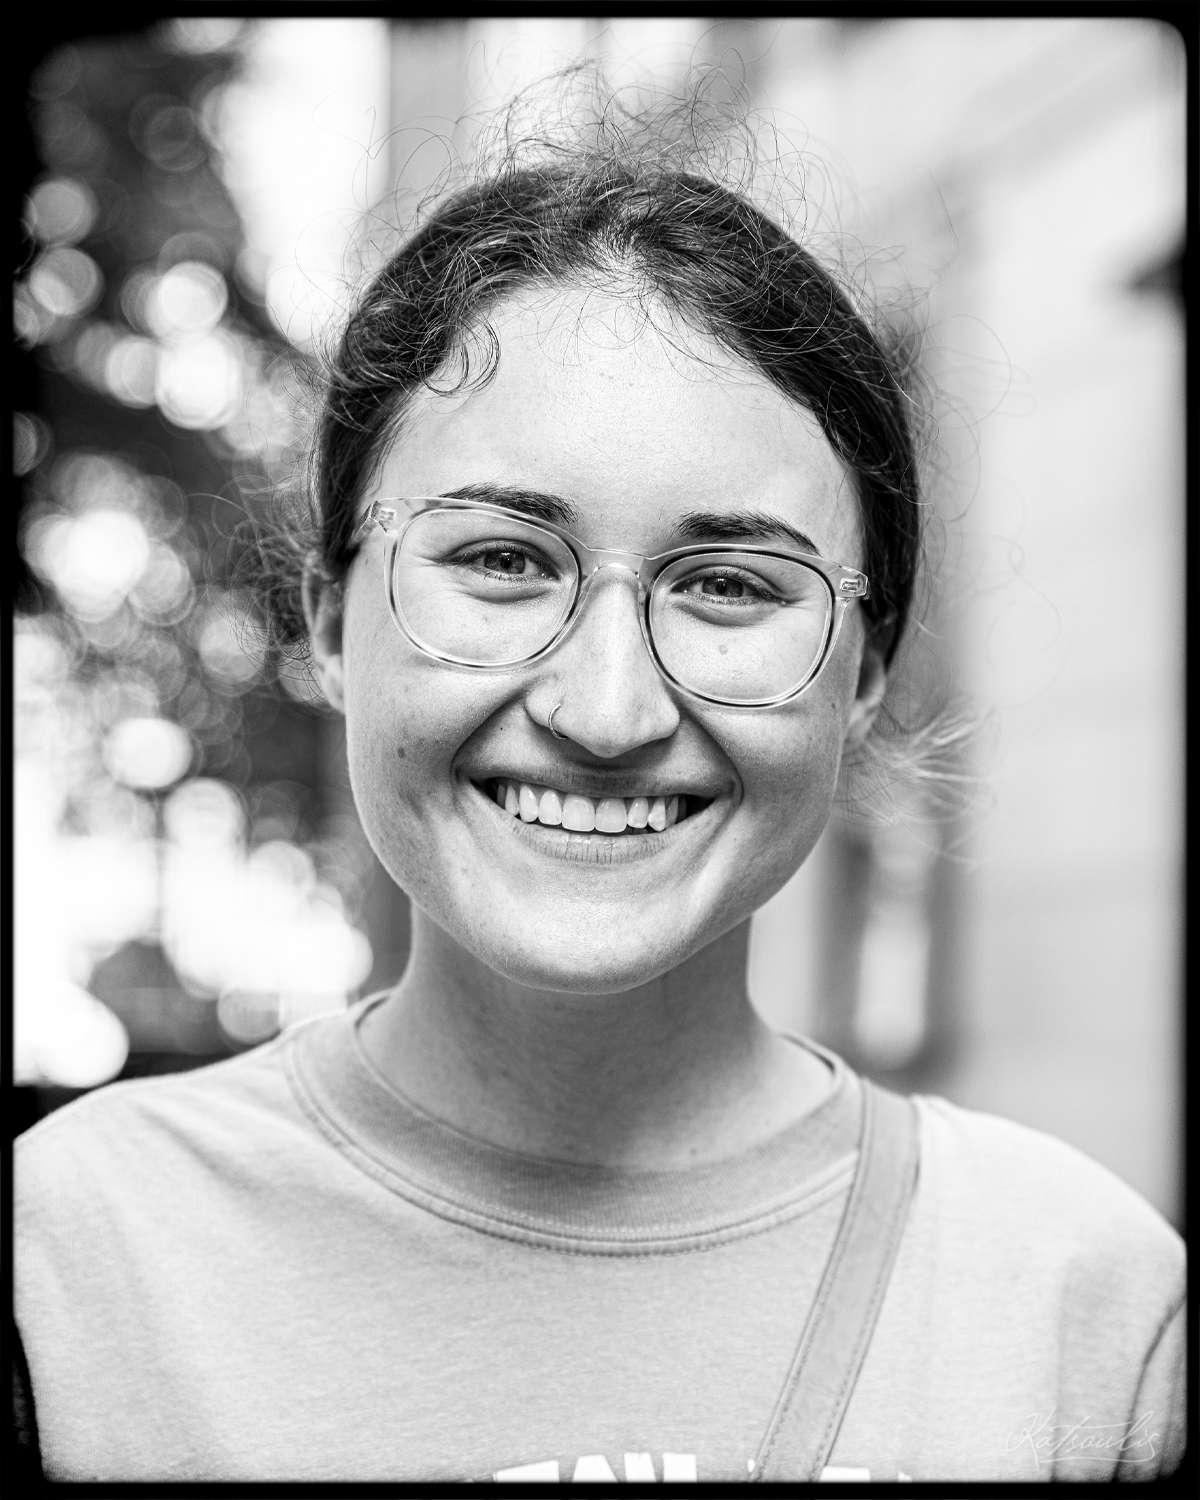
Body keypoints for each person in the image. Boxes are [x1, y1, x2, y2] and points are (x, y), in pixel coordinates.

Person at [14, 87, 1186, 1484]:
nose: (609, 709)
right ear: (330, 620)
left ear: (865, 671)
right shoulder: (66, 1266)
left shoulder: (1087, 1311)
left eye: (731, 585)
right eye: (503, 561)